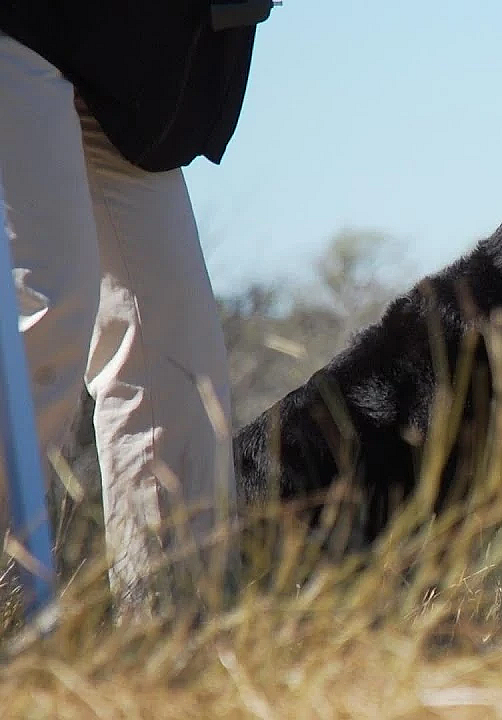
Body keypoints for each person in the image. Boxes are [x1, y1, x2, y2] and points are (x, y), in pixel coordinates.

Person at [0, 2, 274, 616]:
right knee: (47, 309)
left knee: (174, 354)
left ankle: (173, 649)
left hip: (126, 68)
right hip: (20, 25)